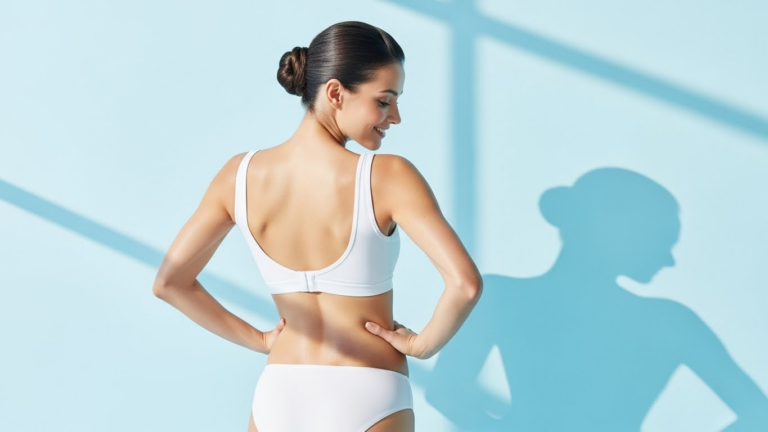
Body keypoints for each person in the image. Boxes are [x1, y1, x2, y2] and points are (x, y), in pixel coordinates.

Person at [152, 20, 483, 432]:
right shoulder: (389, 176)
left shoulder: (238, 176)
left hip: (280, 392)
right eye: (384, 101)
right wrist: (421, 344)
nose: (395, 116)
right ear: (335, 93)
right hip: (371, 388)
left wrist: (259, 340)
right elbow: (465, 285)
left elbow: (169, 283)